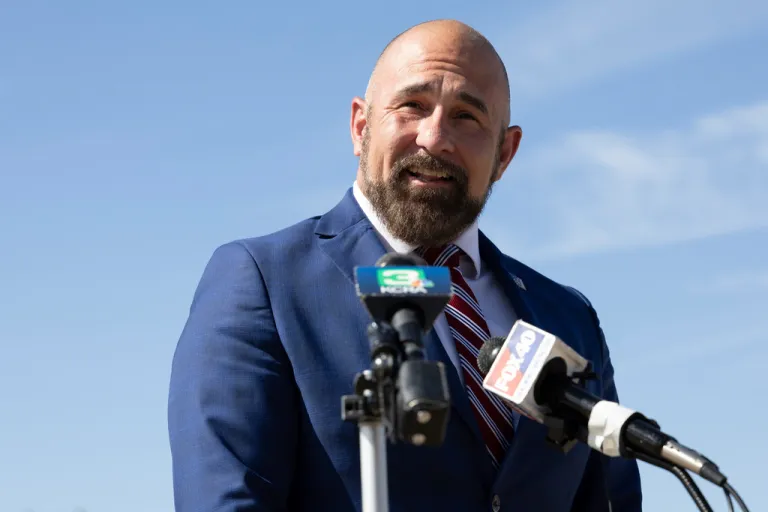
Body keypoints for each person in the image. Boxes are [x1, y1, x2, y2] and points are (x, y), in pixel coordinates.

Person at [167, 19, 643, 512]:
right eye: (412, 106)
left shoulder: (568, 317)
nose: (434, 138)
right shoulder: (263, 282)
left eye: (467, 117)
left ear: (505, 152)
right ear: (360, 127)